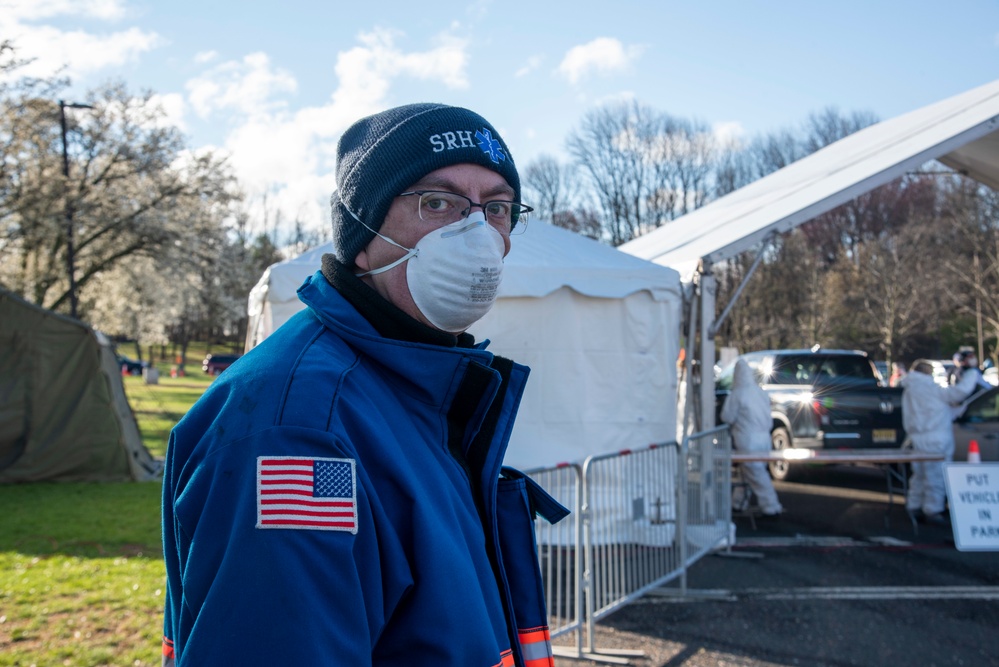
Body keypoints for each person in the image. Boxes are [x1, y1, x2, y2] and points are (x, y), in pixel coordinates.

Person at [161, 103, 568, 667]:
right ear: (363, 230)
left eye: (496, 208)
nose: (475, 231)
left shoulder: (414, 390)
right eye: (436, 202)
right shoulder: (296, 430)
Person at [900, 359, 978, 525]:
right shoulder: (931, 388)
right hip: (936, 437)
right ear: (928, 372)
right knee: (935, 476)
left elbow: (935, 410)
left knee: (919, 475)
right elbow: (959, 392)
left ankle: (914, 506)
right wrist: (972, 373)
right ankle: (933, 510)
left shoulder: (910, 389)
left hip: (917, 437)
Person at [720, 359, 783, 517]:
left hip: (747, 440)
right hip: (764, 439)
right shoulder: (760, 392)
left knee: (756, 476)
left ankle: (771, 507)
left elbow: (726, 417)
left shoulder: (738, 394)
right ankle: (738, 503)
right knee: (747, 473)